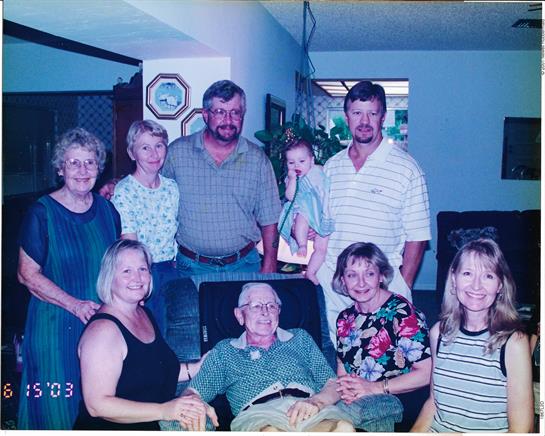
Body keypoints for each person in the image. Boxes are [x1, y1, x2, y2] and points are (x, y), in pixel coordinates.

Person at [16, 128, 121, 429]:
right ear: (60, 168)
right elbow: (26, 275)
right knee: (54, 408)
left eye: (90, 163)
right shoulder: (42, 212)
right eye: (73, 163)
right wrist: (75, 305)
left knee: (96, 405)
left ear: (99, 169)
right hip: (54, 326)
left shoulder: (108, 210)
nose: (82, 170)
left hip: (99, 327)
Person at [317, 80, 431, 344]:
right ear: (346, 117)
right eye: (357, 113)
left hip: (382, 284)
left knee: (384, 359)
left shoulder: (407, 169)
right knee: (342, 354)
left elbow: (418, 236)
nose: (364, 120)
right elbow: (321, 220)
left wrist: (404, 285)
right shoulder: (332, 167)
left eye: (372, 113)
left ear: (383, 116)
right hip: (335, 284)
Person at [74, 239, 217, 431]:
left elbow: (154, 373)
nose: (137, 278)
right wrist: (165, 410)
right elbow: (97, 406)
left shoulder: (143, 314)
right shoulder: (103, 332)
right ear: (109, 277)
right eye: (126, 271)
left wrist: (197, 367)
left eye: (142, 269)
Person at [183, 282, 355, 432]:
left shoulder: (300, 338)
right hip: (259, 415)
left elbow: (332, 383)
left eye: (271, 306)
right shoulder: (225, 351)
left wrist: (316, 402)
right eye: (256, 306)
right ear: (239, 315)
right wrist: (195, 403)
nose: (265, 312)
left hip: (309, 409)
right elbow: (194, 391)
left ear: (278, 311)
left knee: (344, 429)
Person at [411, 238, 534, 432]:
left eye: (488, 276)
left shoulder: (513, 343)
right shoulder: (439, 333)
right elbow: (434, 403)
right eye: (467, 273)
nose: (476, 286)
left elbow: (521, 428)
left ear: (500, 285)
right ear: (454, 278)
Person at [161, 80, 281, 276]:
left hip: (244, 265)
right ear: (205, 115)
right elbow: (152, 189)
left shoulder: (257, 159)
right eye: (220, 112)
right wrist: (118, 184)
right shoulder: (177, 153)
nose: (228, 120)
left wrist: (270, 265)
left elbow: (269, 219)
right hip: (191, 267)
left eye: (235, 112)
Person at [332, 242, 431, 426]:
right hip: (360, 401)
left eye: (369, 274)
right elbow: (343, 370)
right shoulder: (344, 318)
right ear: (343, 280)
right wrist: (346, 390)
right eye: (352, 275)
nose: (361, 283)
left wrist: (375, 388)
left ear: (381, 276)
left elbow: (426, 374)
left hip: (401, 401)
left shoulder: (402, 314)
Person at [111, 120, 179, 335]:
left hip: (171, 270)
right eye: (145, 147)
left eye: (159, 145)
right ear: (132, 153)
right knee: (149, 332)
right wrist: (139, 280)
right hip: (143, 272)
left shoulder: (172, 188)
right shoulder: (124, 192)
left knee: (172, 333)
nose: (153, 153)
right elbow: (129, 244)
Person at [278, 137, 334, 284]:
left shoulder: (320, 172)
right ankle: (302, 245)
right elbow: (290, 196)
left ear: (312, 160)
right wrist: (292, 179)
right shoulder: (293, 178)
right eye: (291, 162)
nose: (297, 165)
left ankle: (311, 271)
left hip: (321, 215)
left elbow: (326, 190)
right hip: (303, 211)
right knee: (302, 217)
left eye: (301, 161)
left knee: (321, 247)